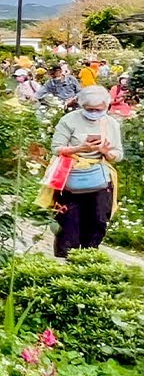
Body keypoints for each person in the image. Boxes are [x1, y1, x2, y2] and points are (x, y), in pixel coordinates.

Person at [40, 86, 123, 258]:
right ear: (81, 106)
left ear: (106, 107)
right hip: (70, 177)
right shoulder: (68, 120)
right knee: (68, 222)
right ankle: (65, 262)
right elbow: (57, 148)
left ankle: (89, 257)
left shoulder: (111, 123)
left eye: (98, 110)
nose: (93, 113)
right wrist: (81, 147)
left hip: (98, 176)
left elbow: (118, 155)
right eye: (89, 109)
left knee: (98, 220)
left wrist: (106, 151)